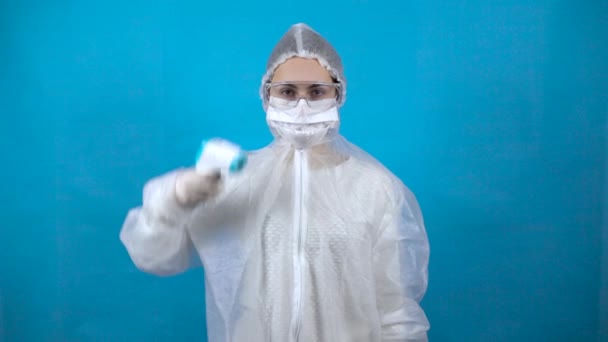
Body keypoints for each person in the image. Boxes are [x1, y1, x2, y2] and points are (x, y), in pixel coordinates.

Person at [120, 23, 430, 342]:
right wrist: (174, 200)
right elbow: (153, 256)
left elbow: (396, 309)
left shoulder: (374, 188)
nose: (301, 105)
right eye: (288, 91)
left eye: (316, 92)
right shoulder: (238, 182)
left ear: (338, 94)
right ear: (267, 95)